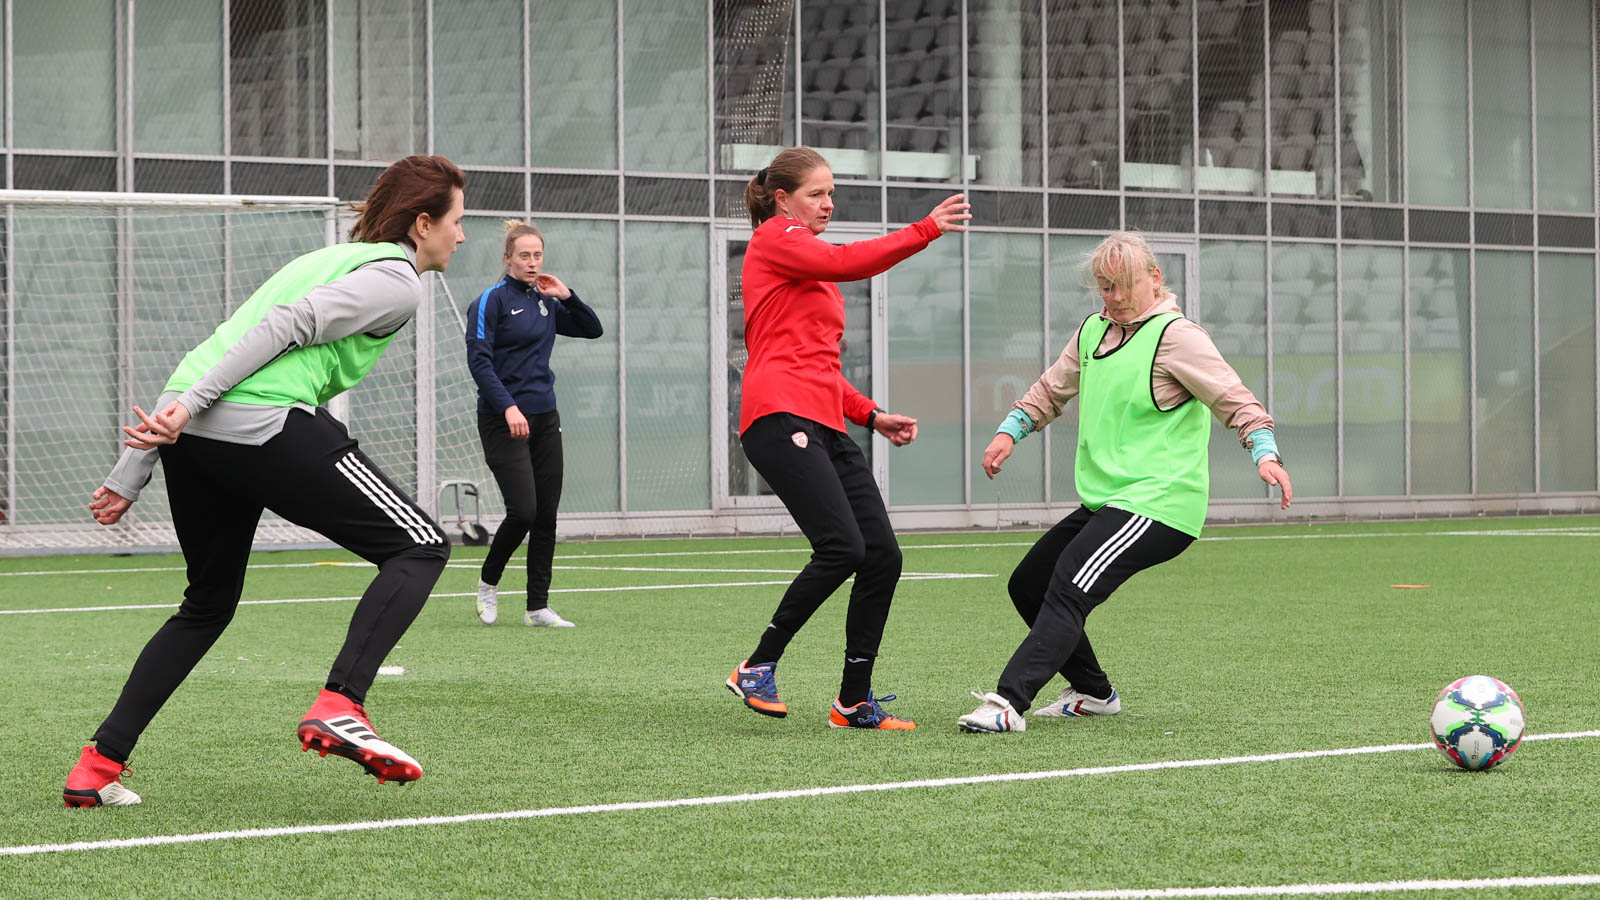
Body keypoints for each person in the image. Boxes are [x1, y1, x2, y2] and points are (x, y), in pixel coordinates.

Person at [63, 155, 468, 807]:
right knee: (420, 545)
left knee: (207, 604)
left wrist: (134, 468)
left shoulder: (325, 259)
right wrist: (185, 415)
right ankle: (341, 704)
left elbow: (210, 352)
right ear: (423, 224)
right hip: (259, 423)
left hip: (195, 441)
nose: (461, 235)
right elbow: (286, 327)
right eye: (456, 221)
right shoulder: (396, 279)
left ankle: (97, 766)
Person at [958, 231, 1293, 734]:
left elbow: (1235, 399)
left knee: (1069, 583)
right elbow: (1051, 389)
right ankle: (1094, 693)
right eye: (1104, 287)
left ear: (1155, 279)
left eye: (1123, 285)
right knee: (1028, 583)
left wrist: (1264, 452)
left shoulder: (1178, 336)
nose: (1113, 297)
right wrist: (1011, 431)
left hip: (1160, 502)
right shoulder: (1092, 332)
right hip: (1108, 501)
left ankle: (1008, 703)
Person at [725, 146, 970, 731]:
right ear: (782, 199)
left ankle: (853, 702)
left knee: (882, 555)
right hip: (777, 416)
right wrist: (925, 229)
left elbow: (820, 366)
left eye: (831, 193)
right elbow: (848, 261)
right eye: (816, 193)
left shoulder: (806, 261)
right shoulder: (775, 238)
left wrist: (871, 414)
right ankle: (756, 666)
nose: (828, 203)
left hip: (823, 421)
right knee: (842, 547)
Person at [466, 219, 603, 628]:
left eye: (537, 255)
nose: (532, 262)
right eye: (524, 255)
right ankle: (488, 583)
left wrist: (567, 295)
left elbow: (592, 329)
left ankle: (537, 607)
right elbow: (479, 362)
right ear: (508, 257)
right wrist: (508, 407)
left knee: (546, 514)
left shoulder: (546, 301)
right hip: (502, 419)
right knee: (523, 511)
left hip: (545, 417)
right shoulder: (489, 301)